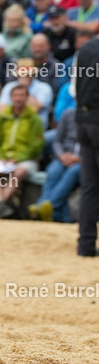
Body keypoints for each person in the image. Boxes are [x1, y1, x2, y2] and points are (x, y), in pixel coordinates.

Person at [0, 83, 45, 219]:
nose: (19, 99)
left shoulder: (34, 119)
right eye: (16, 96)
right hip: (2, 158)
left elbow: (35, 146)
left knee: (19, 171)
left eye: (22, 96)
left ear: (27, 98)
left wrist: (17, 159)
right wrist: (0, 157)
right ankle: (1, 206)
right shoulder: (1, 117)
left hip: (25, 160)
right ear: (11, 97)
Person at [29, 108, 81, 223]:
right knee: (53, 171)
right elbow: (57, 141)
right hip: (64, 157)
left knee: (72, 172)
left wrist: (80, 158)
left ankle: (48, 206)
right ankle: (45, 207)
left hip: (85, 161)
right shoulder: (68, 114)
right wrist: (61, 155)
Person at [73, 35, 99, 257]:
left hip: (83, 121)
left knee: (90, 187)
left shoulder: (86, 48)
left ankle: (86, 245)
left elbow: (74, 89)